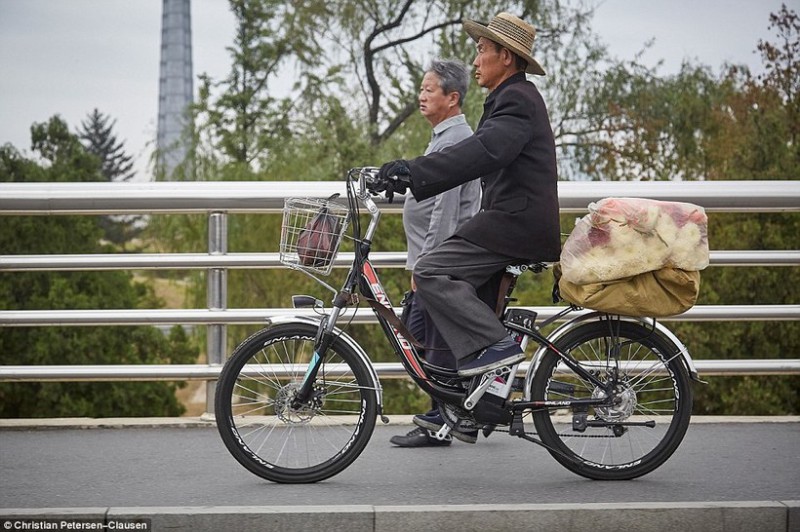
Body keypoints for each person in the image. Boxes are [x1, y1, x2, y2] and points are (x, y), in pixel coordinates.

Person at [375, 12, 561, 441]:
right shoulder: (509, 99)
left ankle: (500, 353)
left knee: (431, 271)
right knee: (457, 293)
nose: (476, 60)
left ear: (507, 57)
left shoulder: (517, 101)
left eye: (482, 50)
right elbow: (480, 154)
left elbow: (482, 153)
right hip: (508, 221)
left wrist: (413, 171)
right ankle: (470, 405)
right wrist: (408, 172)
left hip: (515, 223)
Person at [389, 59, 481, 448]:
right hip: (438, 259)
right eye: (422, 89)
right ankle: (451, 413)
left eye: (429, 90)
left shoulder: (455, 139)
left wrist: (426, 266)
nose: (421, 96)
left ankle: (444, 417)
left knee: (431, 339)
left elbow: (445, 211)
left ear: (452, 97)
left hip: (441, 261)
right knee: (425, 335)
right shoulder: (445, 136)